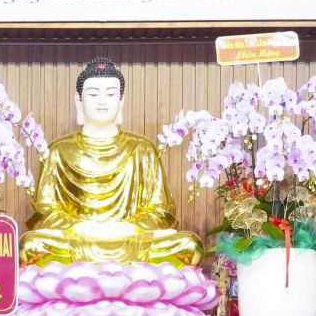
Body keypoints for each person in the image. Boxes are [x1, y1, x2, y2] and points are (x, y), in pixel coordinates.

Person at [21, 58, 203, 266]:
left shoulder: (142, 148)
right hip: (77, 236)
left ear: (121, 101)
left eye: (110, 94)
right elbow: (45, 210)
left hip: (131, 237)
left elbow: (161, 210)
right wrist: (80, 227)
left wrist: (128, 228)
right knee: (29, 247)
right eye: (93, 94)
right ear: (79, 100)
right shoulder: (58, 150)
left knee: (190, 247)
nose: (102, 101)